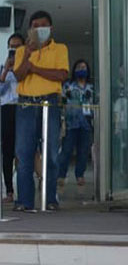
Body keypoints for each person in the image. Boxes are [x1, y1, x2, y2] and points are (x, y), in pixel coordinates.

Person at [13, 10, 69, 212]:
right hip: (26, 104)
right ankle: (25, 201)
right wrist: (27, 56)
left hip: (50, 103)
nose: (40, 29)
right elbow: (18, 76)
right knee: (24, 153)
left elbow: (61, 74)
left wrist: (34, 69)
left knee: (51, 153)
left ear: (51, 28)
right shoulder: (21, 51)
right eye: (35, 25)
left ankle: (50, 198)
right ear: (30, 29)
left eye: (44, 25)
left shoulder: (60, 49)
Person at [0, 33, 24, 203]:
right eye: (12, 46)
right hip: (5, 110)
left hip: (22, 108)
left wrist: (18, 68)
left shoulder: (26, 68)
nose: (14, 49)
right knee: (7, 151)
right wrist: (6, 69)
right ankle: (9, 190)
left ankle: (25, 187)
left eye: (18, 46)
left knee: (24, 149)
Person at [57, 59, 95, 187]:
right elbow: (61, 102)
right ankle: (61, 175)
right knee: (66, 150)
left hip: (86, 123)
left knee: (83, 151)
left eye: (84, 67)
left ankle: (80, 175)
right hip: (71, 123)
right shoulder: (68, 86)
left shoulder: (92, 87)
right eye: (79, 67)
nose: (81, 69)